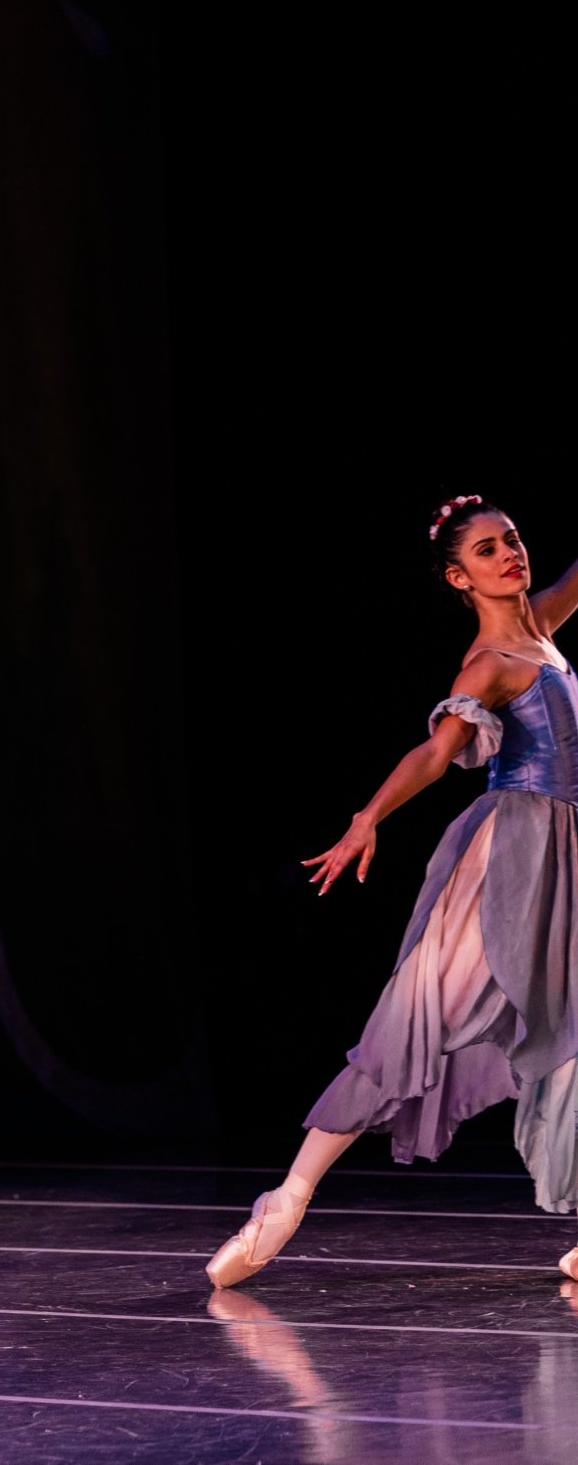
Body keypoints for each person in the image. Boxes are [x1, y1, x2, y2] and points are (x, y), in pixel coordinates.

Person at [208, 495, 578, 1287]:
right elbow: (436, 753)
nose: (508, 554)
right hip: (513, 855)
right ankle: (288, 1196)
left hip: (567, 852)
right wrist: (367, 815)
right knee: (421, 1018)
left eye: (511, 540)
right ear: (458, 577)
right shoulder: (490, 663)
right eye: (486, 550)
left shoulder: (544, 623)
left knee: (572, 1026)